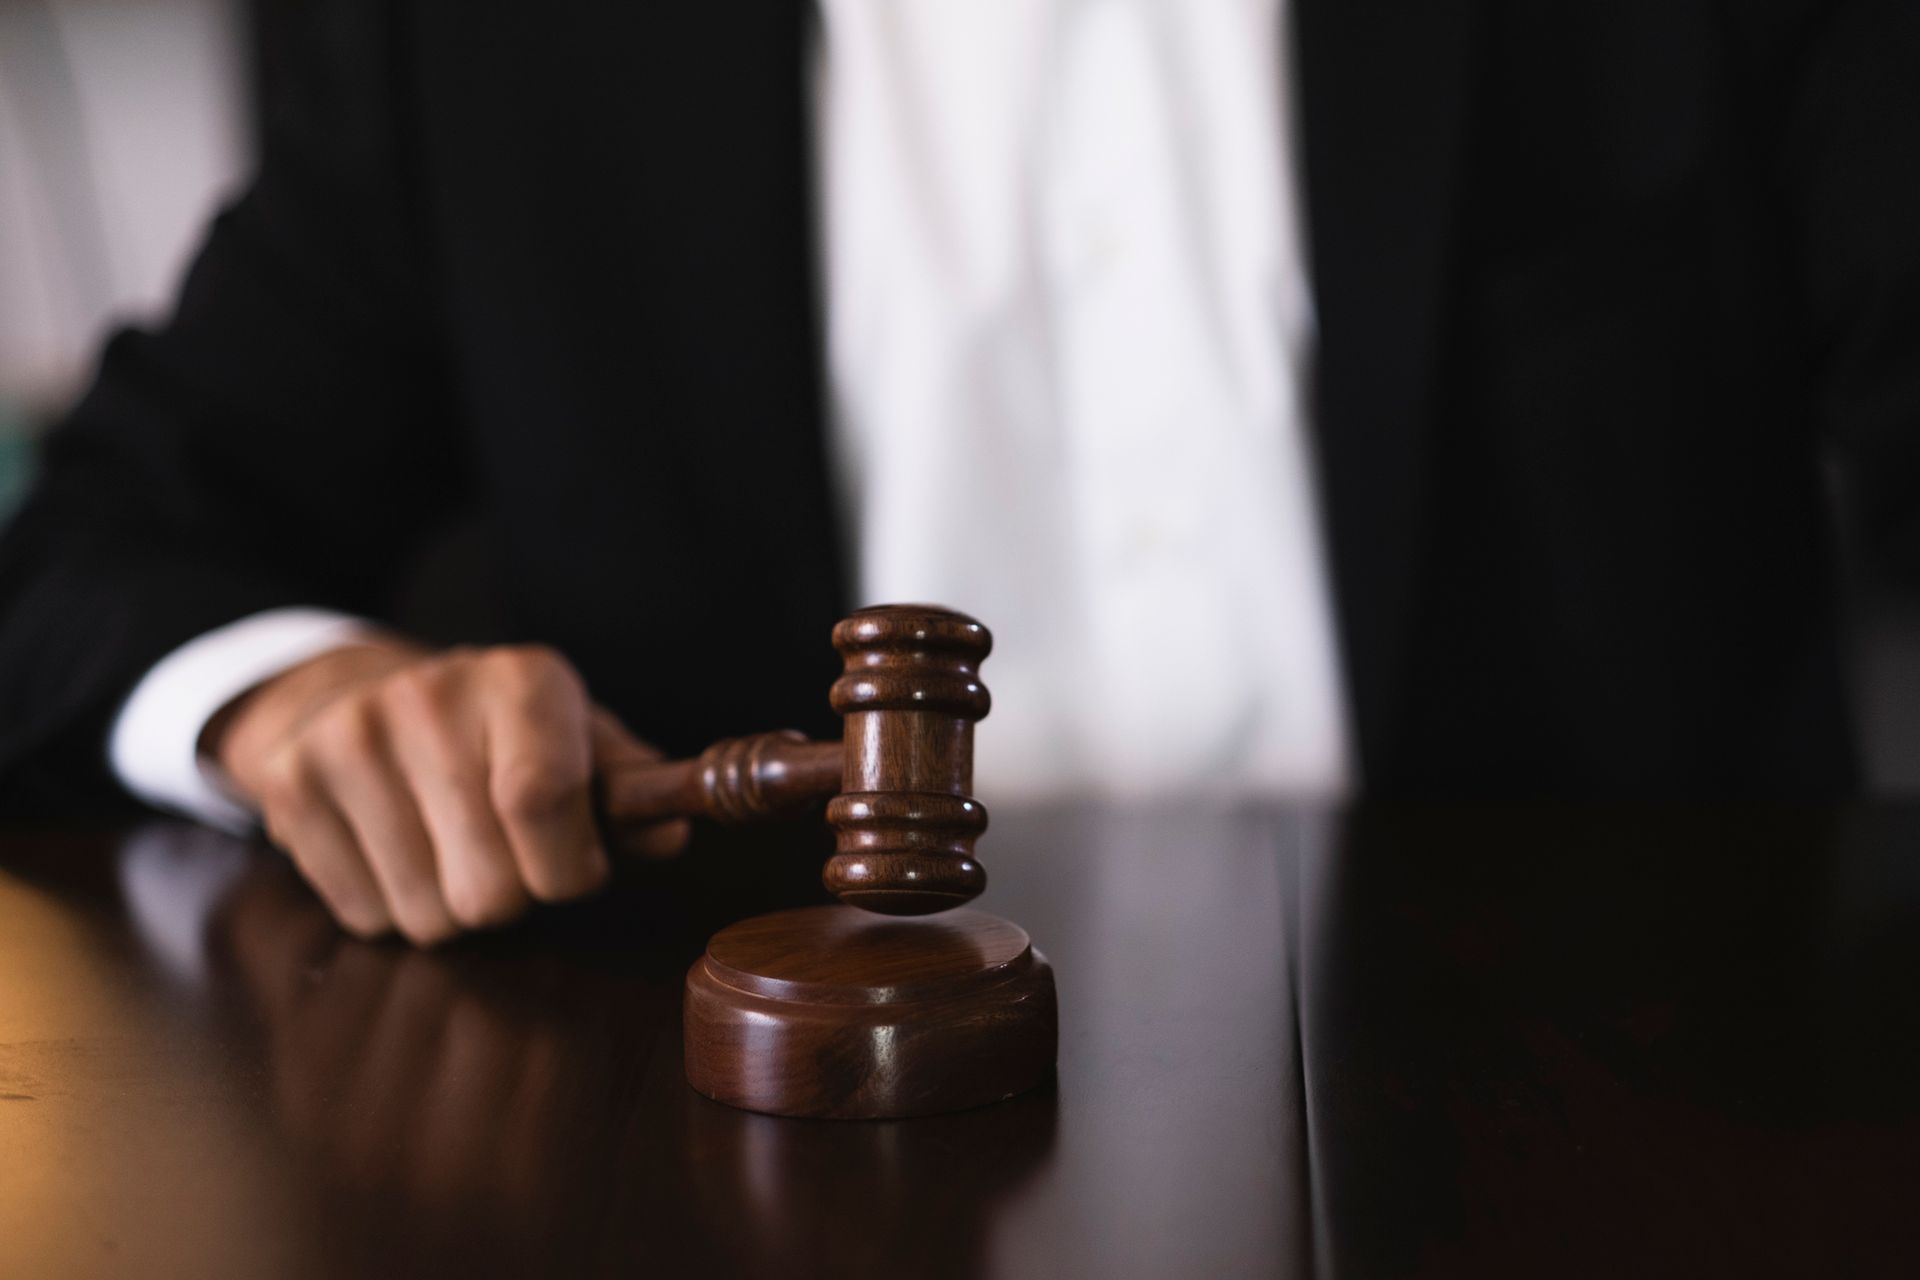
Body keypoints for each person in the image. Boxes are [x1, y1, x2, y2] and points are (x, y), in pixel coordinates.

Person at [2, 1, 1915, 944]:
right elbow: (102, 546)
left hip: (1636, 1097)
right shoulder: (491, 41)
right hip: (714, 1169)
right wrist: (281, 692)